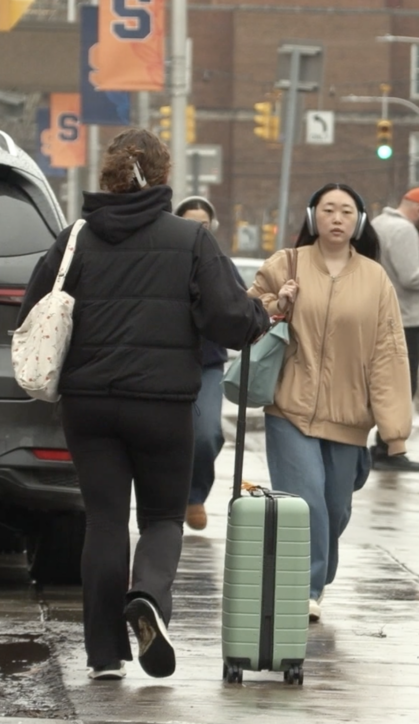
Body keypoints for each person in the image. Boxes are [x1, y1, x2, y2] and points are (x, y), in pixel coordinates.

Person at [17, 129, 269, 680]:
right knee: (161, 518)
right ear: (162, 174)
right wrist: (264, 315)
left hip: (88, 404)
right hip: (162, 404)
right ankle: (149, 596)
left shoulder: (75, 238)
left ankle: (104, 655)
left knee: (105, 522)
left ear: (107, 172)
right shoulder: (191, 239)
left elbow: (34, 309)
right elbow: (229, 318)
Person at [249, 183, 412, 623]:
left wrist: (394, 431)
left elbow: (389, 353)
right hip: (289, 407)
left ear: (358, 222)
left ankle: (318, 570)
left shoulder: (375, 279)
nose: (336, 218)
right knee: (307, 503)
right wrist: (275, 303)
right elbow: (244, 313)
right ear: (312, 217)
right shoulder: (287, 264)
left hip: (349, 417)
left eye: (346, 211)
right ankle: (307, 587)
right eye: (328, 210)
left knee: (335, 507)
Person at [370, 187, 419, 472]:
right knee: (404, 387)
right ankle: (389, 450)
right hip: (405, 318)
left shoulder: (379, 223)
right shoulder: (404, 231)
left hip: (382, 314)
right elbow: (412, 277)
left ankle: (381, 446)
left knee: (386, 385)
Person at [173, 196, 239, 531]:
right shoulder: (164, 261)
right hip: (166, 362)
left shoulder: (221, 264)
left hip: (208, 365)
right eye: (190, 224)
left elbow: (241, 308)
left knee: (207, 434)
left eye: (204, 224)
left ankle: (194, 497)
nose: (198, 230)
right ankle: (163, 501)